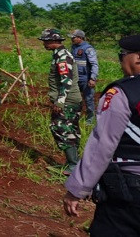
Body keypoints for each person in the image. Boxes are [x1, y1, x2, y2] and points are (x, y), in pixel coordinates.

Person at [63, 34, 140, 234]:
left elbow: (102, 145)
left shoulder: (123, 93)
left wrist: (77, 189)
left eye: (122, 55)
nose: (121, 60)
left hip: (130, 193)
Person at [40, 28, 83, 173]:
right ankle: (73, 164)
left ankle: (72, 166)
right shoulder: (58, 55)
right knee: (71, 130)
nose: (44, 44)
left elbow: (66, 80)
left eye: (45, 41)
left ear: (53, 41)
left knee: (61, 130)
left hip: (68, 101)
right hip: (71, 100)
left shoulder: (63, 56)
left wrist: (60, 101)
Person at [70, 29, 100, 123]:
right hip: (75, 78)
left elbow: (94, 64)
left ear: (80, 38)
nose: (72, 39)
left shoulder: (88, 49)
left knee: (88, 99)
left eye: (73, 38)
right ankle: (76, 116)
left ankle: (90, 119)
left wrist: (92, 78)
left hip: (85, 79)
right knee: (75, 98)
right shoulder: (73, 47)